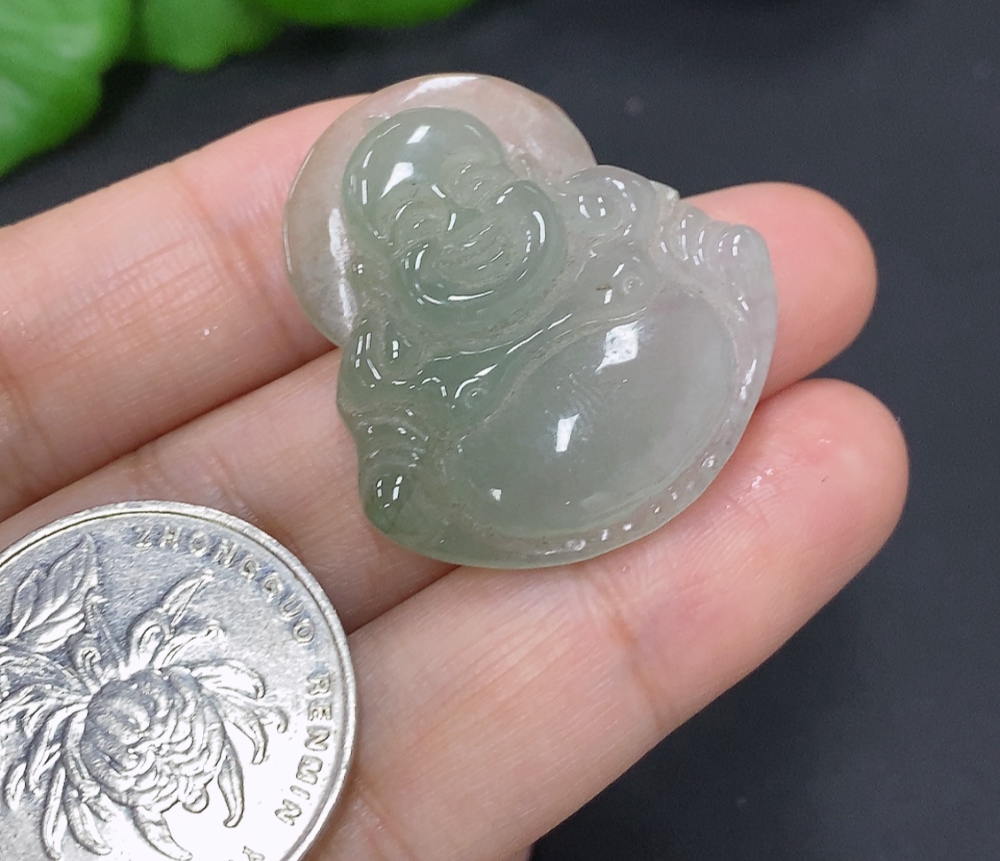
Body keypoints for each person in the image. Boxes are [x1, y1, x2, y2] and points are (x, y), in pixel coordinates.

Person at [0, 95, 908, 860]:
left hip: (662, 363)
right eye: (417, 229)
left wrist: (694, 270)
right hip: (521, 461)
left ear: (532, 176)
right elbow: (392, 480)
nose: (466, 228)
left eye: (479, 189)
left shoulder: (606, 223)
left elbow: (702, 248)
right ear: (378, 273)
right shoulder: (396, 352)